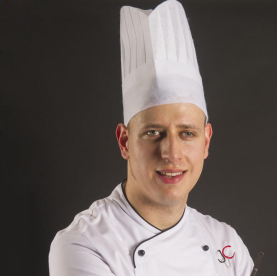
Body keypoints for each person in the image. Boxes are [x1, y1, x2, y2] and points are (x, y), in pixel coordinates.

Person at [48, 0, 254, 275]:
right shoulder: (83, 245)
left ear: (206, 141)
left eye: (187, 133)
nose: (171, 152)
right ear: (124, 142)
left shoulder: (226, 243)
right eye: (153, 133)